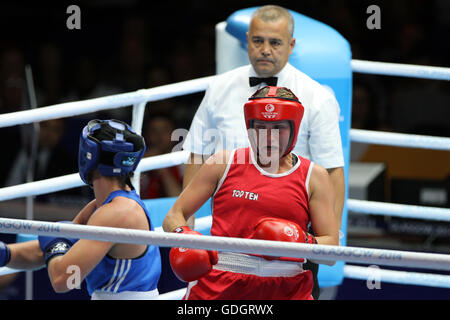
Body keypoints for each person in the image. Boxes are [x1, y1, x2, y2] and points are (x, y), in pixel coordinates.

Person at [182, 5, 345, 299]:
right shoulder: (220, 87)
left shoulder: (316, 96)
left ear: (291, 45)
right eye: (258, 41)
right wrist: (187, 236)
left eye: (275, 42)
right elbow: (196, 153)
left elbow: (332, 170)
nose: (265, 50)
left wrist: (323, 245)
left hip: (290, 242)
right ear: (247, 40)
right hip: (228, 229)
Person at [163, 86, 339, 300]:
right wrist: (186, 239)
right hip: (220, 281)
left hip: (287, 287)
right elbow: (174, 215)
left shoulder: (314, 176)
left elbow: (331, 250)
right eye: (261, 127)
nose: (269, 137)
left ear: (294, 128)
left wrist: (300, 241)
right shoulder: (223, 163)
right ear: (250, 127)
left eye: (278, 128)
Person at [0, 119, 162, 300]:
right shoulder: (103, 207)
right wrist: (6, 253)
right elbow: (57, 247)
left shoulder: (117, 213)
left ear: (89, 155)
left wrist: (54, 242)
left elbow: (64, 279)